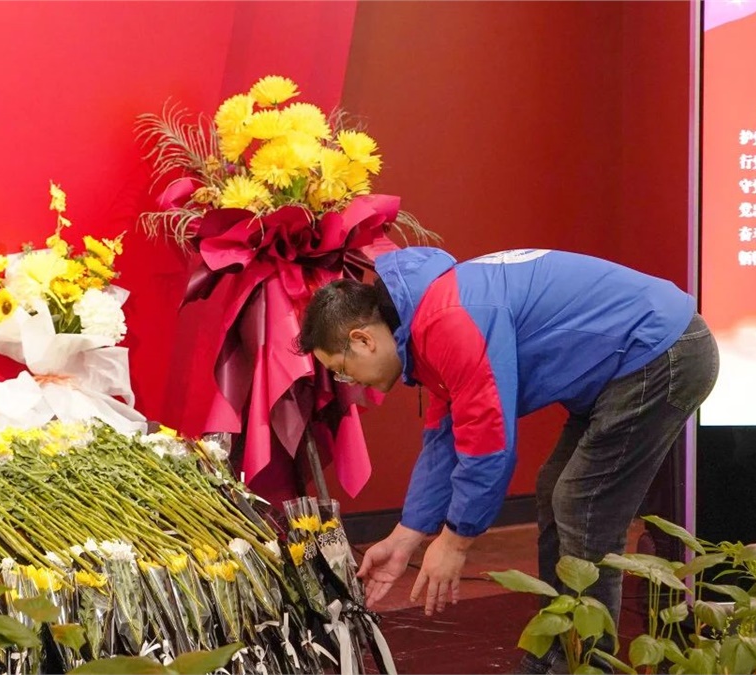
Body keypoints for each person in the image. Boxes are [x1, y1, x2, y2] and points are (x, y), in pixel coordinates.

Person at [295, 246, 719, 673]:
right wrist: (407, 535)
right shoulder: (428, 316)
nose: (347, 381)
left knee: (582, 503)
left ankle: (587, 663)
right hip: (627, 365)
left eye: (341, 370)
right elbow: (446, 438)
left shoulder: (447, 319)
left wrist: (455, 542)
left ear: (363, 340)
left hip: (663, 351)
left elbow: (489, 442)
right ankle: (557, 652)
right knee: (555, 488)